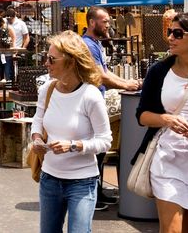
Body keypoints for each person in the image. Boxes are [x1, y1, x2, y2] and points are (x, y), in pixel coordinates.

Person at [30, 31, 111, 233]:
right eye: (45, 57)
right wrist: (37, 138)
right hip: (49, 178)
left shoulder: (90, 95)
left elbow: (105, 141)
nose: (46, 63)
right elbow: (38, 120)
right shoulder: (47, 90)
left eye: (51, 59)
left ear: (71, 61)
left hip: (82, 182)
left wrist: (74, 145)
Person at [134, 12, 188, 232]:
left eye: (178, 33)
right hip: (168, 158)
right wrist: (165, 119)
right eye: (169, 32)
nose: (170, 38)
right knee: (172, 230)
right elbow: (142, 115)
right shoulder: (159, 71)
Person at [81, 6, 140, 211]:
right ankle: (92, 197)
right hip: (89, 105)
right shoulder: (88, 44)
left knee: (99, 151)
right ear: (91, 22)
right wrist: (126, 85)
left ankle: (97, 193)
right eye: (104, 21)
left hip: (96, 102)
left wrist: (127, 82)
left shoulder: (96, 43)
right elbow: (100, 76)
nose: (109, 25)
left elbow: (106, 72)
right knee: (95, 151)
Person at [0, 13, 16, 82]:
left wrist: (14, 52)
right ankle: (0, 86)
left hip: (7, 54)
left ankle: (8, 86)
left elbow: (14, 39)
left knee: (7, 71)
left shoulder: (9, 28)